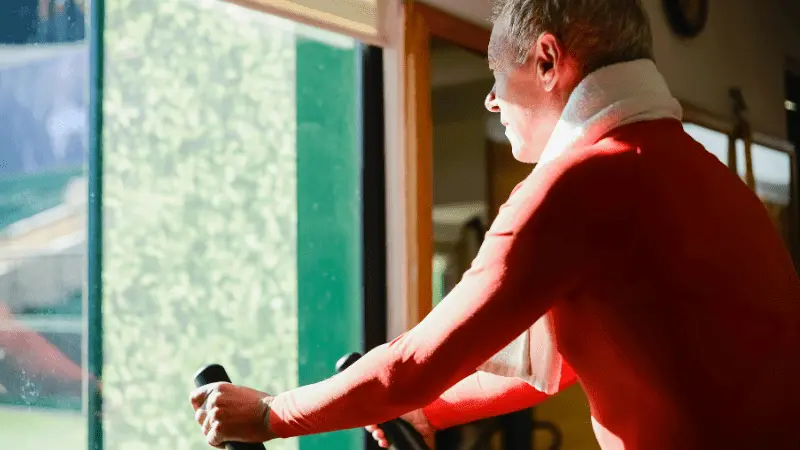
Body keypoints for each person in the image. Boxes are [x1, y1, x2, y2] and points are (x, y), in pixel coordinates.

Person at [189, 0, 800, 449]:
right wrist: (427, 416)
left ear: (546, 60)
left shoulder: (571, 188)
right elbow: (547, 368)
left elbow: (411, 367)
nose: (490, 100)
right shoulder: (704, 173)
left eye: (494, 74)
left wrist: (270, 413)